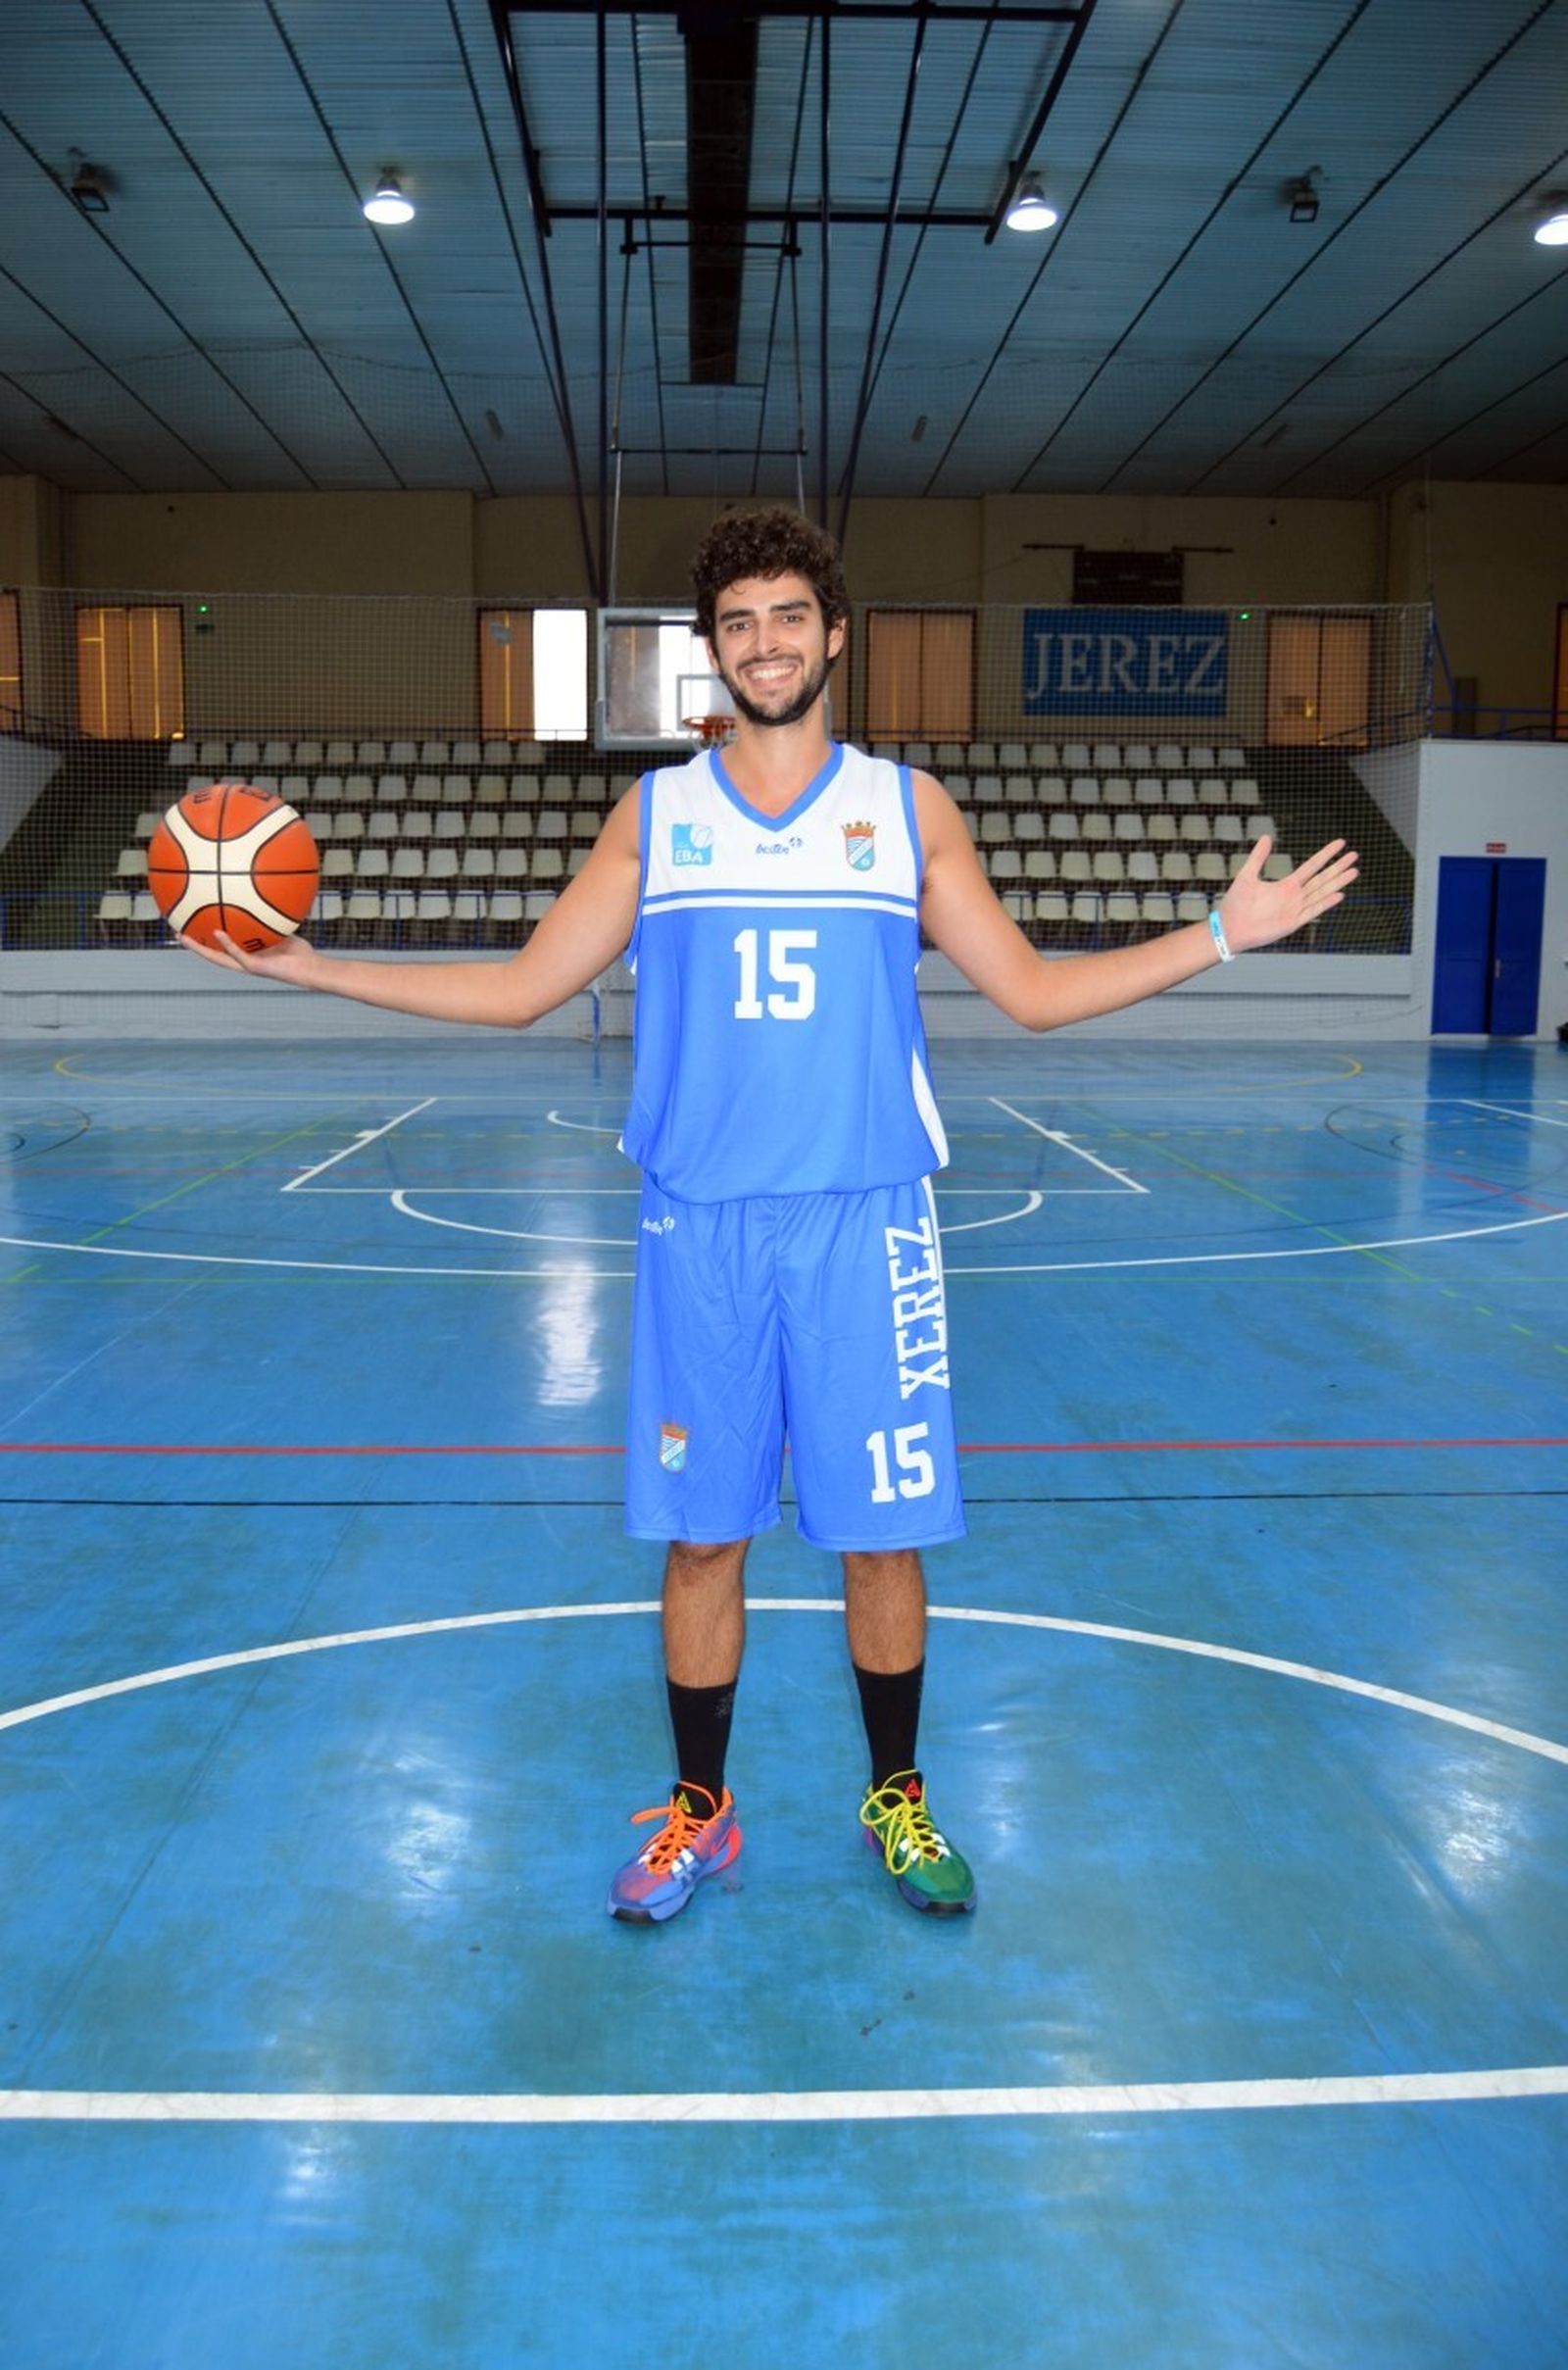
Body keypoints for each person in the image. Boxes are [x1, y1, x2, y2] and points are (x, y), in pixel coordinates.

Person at [184, 507, 1358, 1927]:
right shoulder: (659, 816)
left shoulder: (907, 810)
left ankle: (898, 1797)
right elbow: (518, 987)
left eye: (789, 615)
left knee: (882, 1535)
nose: (766, 642)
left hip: (868, 1223)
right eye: (738, 622)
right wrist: (319, 972)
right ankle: (701, 1813)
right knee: (703, 1537)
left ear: (834, 634)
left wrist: (1224, 934)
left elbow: (1036, 994)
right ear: (711, 652)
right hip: (703, 1227)